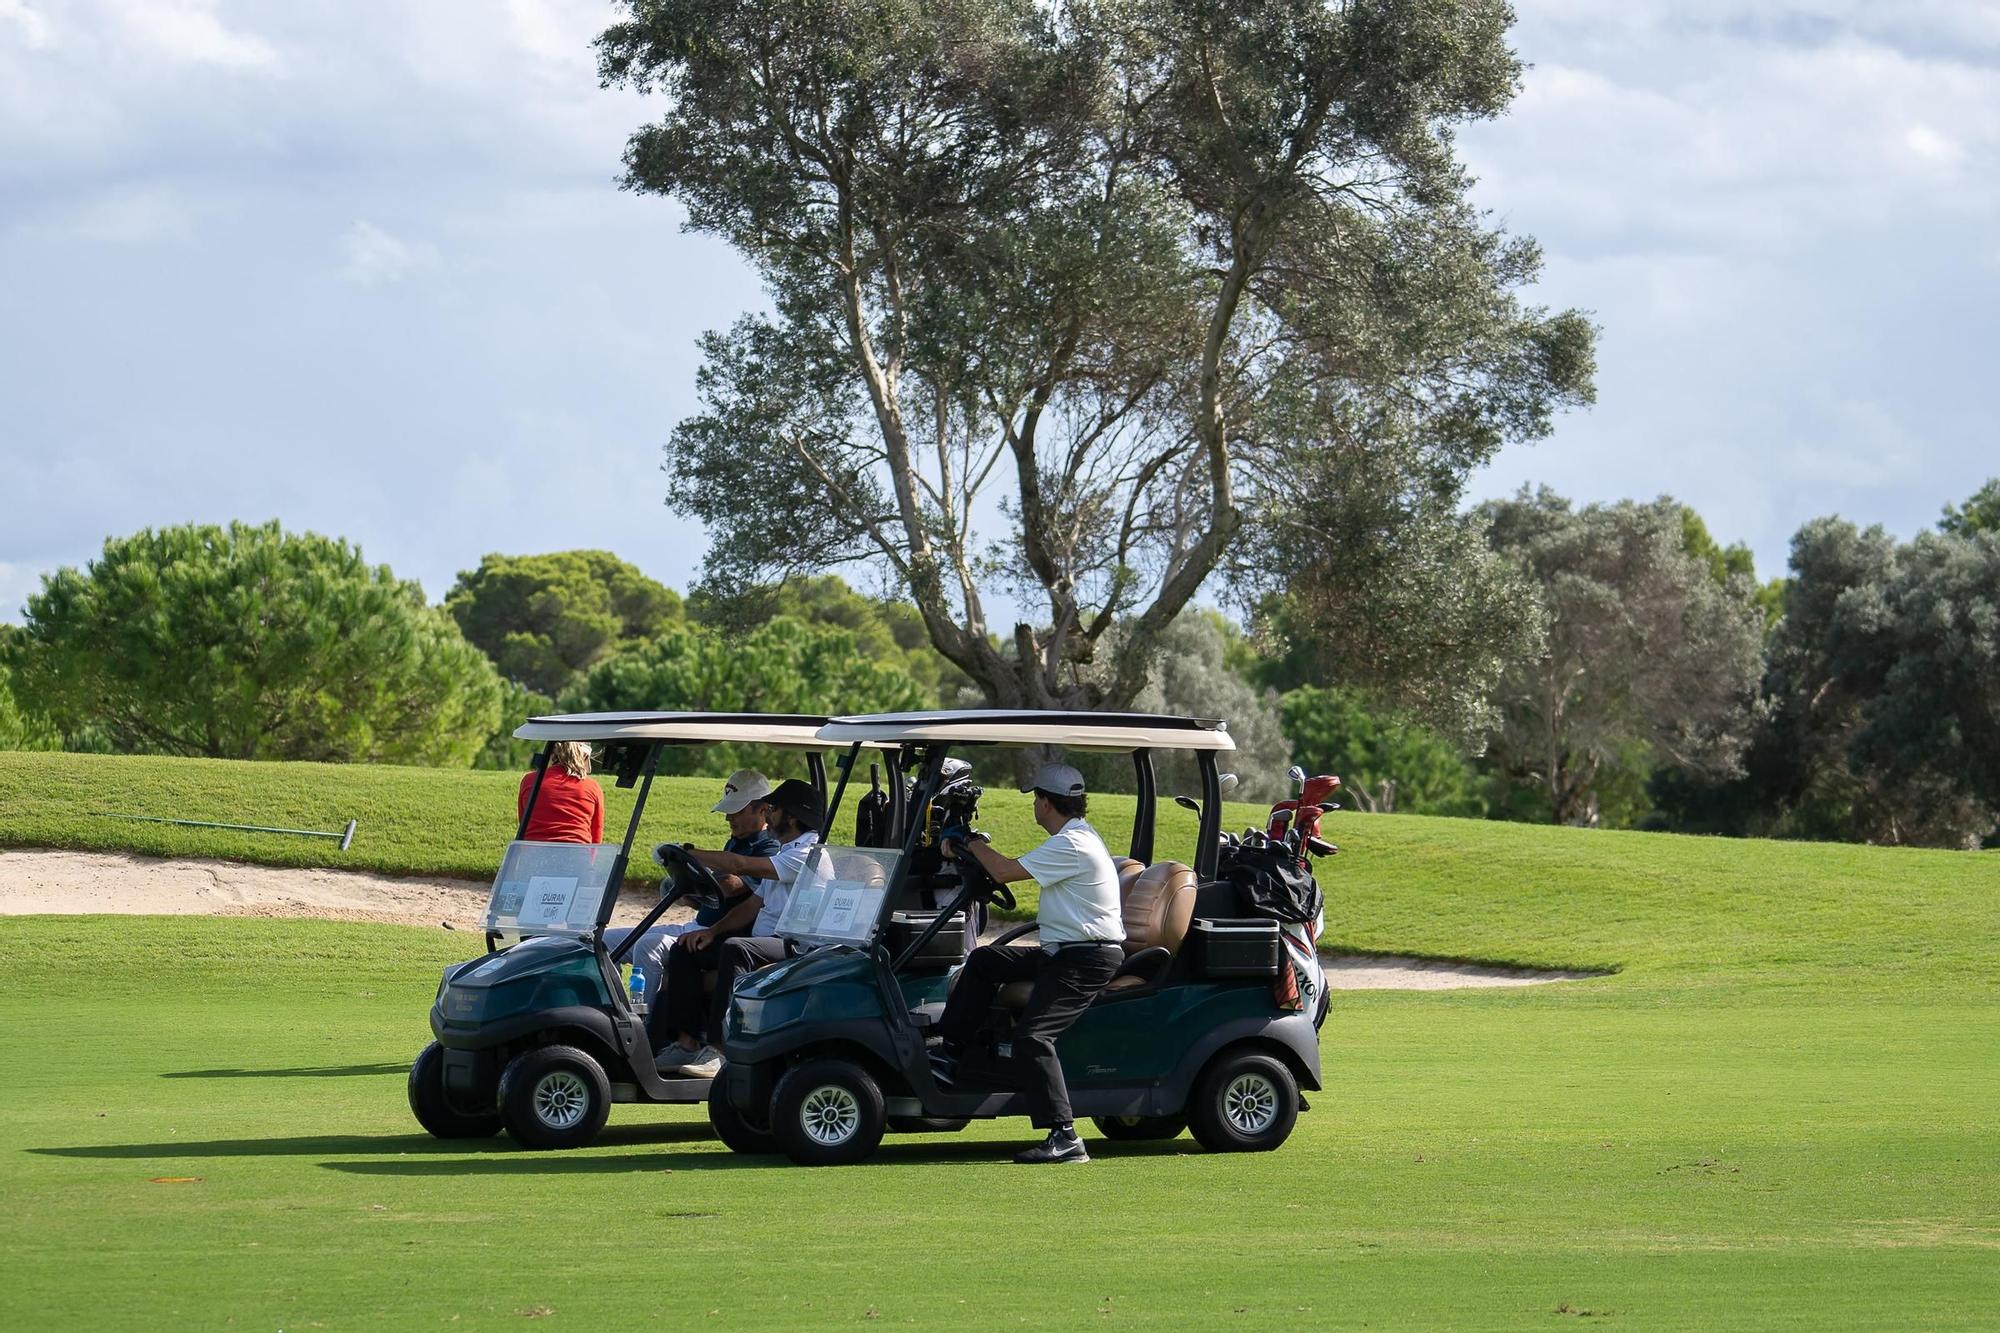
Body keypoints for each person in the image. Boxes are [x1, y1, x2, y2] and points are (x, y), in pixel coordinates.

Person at [932, 763, 1123, 1165]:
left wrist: (968, 840)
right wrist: (971, 847)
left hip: (1086, 958)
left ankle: (1065, 1136)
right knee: (985, 959)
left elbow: (1003, 870)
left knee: (1034, 1037)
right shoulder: (1072, 838)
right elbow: (1001, 870)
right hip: (1063, 952)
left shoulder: (1073, 844)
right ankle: (951, 1054)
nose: (1034, 805)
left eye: (1036, 799)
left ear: (1048, 803)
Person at [653, 777, 824, 1077]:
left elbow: (739, 865)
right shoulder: (785, 852)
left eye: (773, 809)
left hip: (795, 946)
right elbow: (753, 905)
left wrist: (689, 853)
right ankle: (686, 1044)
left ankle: (719, 1050)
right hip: (764, 942)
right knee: (685, 947)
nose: (768, 814)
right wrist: (711, 932)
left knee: (736, 948)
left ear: (792, 817)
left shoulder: (807, 854)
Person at [604, 770, 777, 1001]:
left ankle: (645, 1020)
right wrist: (687, 888)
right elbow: (717, 895)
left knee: (648, 946)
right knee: (604, 943)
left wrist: (691, 863)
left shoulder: (769, 848)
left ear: (763, 810)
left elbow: (731, 886)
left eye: (736, 811)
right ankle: (616, 1009)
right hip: (696, 927)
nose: (728, 818)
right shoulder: (737, 840)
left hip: (717, 937)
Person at [516, 741, 603, 843]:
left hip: (533, 850)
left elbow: (523, 823)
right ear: (582, 756)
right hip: (578, 851)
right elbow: (596, 838)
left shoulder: (530, 781)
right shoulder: (592, 787)